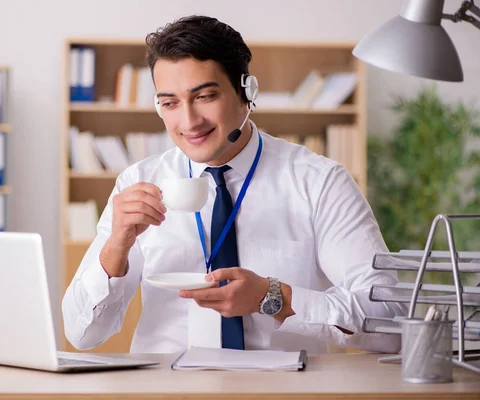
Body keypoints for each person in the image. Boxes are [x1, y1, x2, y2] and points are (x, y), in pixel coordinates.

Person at [62, 15, 406, 354]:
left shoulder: (319, 183)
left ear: (247, 92)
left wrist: (273, 297)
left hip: (284, 391)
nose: (189, 121)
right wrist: (115, 249)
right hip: (167, 389)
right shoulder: (137, 182)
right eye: (170, 103)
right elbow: (82, 335)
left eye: (205, 96)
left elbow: (391, 323)